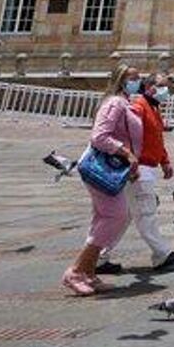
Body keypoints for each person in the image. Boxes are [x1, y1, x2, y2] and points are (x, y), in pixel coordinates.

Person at [63, 67, 144, 296]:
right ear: (120, 80)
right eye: (132, 78)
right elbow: (99, 136)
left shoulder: (125, 103)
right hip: (101, 168)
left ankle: (89, 274)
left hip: (115, 168)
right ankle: (76, 271)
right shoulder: (115, 103)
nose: (137, 81)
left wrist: (131, 164)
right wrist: (127, 154)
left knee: (105, 217)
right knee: (115, 215)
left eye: (138, 77)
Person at [97, 72, 174, 274]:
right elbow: (125, 134)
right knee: (146, 213)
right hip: (138, 168)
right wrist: (127, 159)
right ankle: (162, 254)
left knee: (126, 215)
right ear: (150, 88)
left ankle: (99, 258)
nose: (167, 90)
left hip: (146, 166)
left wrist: (165, 161)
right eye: (163, 86)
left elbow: (155, 139)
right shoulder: (138, 107)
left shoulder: (153, 108)